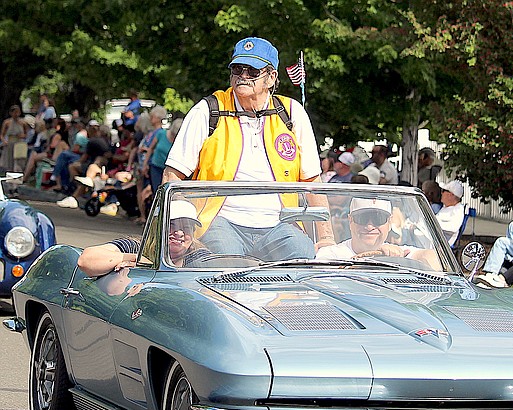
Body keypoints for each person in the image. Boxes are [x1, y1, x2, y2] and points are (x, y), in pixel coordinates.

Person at [162, 36, 334, 258]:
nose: (243, 76)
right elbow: (171, 176)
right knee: (226, 265)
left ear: (271, 78)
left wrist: (327, 240)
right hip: (218, 222)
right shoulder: (208, 110)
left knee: (302, 255)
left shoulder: (292, 113)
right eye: (237, 69)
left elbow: (312, 183)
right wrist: (182, 227)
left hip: (279, 225)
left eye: (252, 71)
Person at [78, 200, 212, 276]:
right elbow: (86, 260)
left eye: (186, 227)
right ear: (156, 227)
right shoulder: (135, 246)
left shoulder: (198, 256)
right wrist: (141, 260)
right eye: (172, 225)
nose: (179, 233)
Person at [316, 197, 440, 269]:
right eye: (362, 218)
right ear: (350, 220)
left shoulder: (399, 253)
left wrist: (394, 258)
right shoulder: (331, 254)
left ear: (389, 222)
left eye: (378, 219)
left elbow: (435, 260)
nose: (369, 226)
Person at [143, 117, 181, 193]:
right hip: (156, 168)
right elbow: (150, 148)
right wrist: (145, 164)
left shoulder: (180, 142)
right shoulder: (161, 134)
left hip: (171, 170)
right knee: (157, 192)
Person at [435, 180, 465, 247]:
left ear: (451, 195)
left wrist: (433, 224)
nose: (441, 193)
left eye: (443, 191)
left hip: (439, 245)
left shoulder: (458, 210)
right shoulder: (446, 207)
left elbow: (453, 227)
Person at [1, 105, 29, 170]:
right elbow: (2, 135)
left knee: (19, 160)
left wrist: (23, 136)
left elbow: (26, 134)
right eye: (14, 112)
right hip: (10, 142)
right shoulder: (7, 122)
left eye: (18, 112)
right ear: (11, 113)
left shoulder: (23, 122)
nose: (16, 114)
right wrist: (4, 141)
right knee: (10, 161)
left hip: (19, 142)